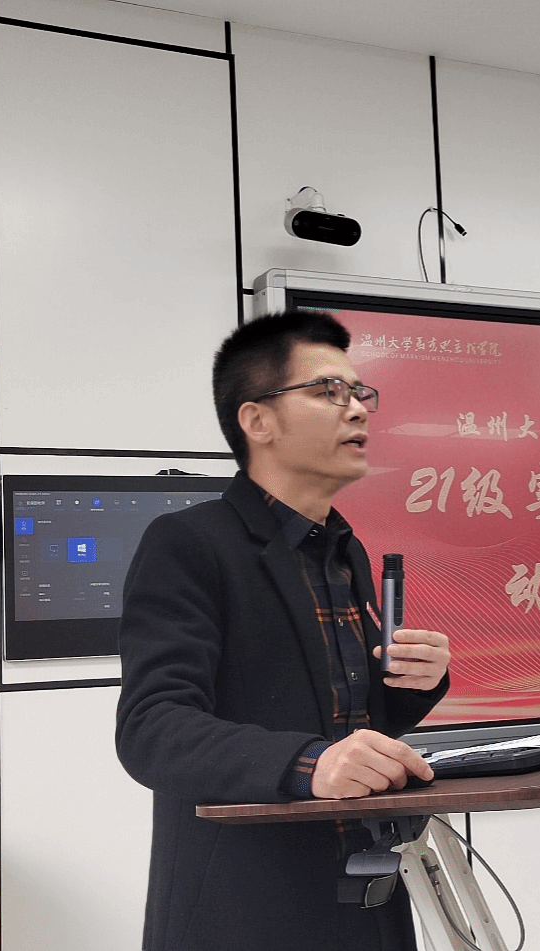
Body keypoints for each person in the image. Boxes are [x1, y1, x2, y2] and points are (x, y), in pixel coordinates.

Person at [116, 310, 451, 951]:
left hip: (368, 887)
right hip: (247, 905)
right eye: (328, 391)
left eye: (360, 392)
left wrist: (414, 681)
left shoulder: (344, 550)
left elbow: (352, 721)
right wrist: (307, 764)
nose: (358, 409)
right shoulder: (188, 544)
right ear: (257, 421)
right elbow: (151, 728)